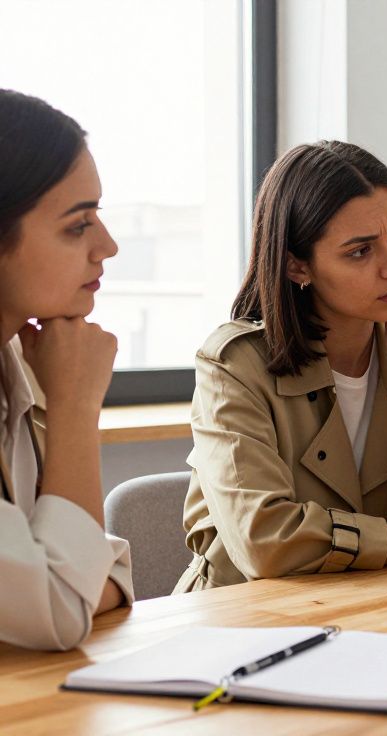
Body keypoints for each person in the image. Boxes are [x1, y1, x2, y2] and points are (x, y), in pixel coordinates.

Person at [176, 141, 387, 592]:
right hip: (238, 615)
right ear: (297, 267)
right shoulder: (235, 367)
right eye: (360, 251)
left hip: (367, 607)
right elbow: (266, 543)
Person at [0, 90, 133, 650]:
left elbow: (106, 568)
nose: (108, 246)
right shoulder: (57, 376)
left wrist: (66, 581)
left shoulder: (16, 364)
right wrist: (77, 407)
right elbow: (63, 602)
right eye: (78, 225)